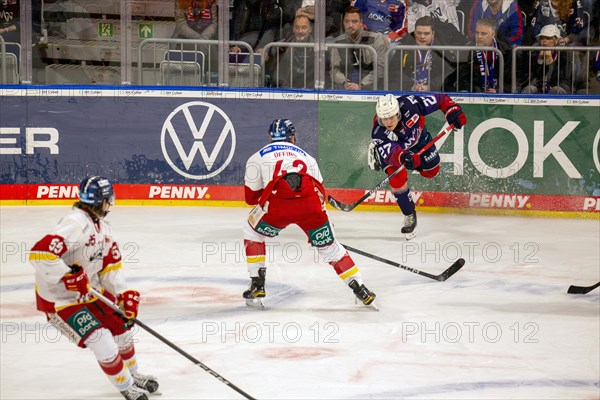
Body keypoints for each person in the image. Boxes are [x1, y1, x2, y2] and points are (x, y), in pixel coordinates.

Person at [28, 176, 158, 400]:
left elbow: (109, 266)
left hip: (88, 293)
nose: (111, 202)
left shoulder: (103, 228)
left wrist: (122, 295)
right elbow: (40, 254)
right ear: (101, 202)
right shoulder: (75, 223)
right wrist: (67, 275)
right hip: (60, 301)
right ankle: (126, 386)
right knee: (101, 339)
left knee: (121, 328)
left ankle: (133, 374)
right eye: (108, 199)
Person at [242, 119, 376, 308]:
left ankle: (257, 284)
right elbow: (319, 191)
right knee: (330, 248)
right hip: (310, 206)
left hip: (278, 206)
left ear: (270, 137)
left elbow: (250, 198)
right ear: (293, 137)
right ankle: (361, 289)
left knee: (252, 233)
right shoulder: (307, 157)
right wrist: (325, 232)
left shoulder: (257, 157)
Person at [369, 94, 467, 239]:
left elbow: (440, 99)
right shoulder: (379, 132)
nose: (388, 122)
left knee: (431, 172)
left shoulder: (410, 104)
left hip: (420, 139)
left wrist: (452, 110)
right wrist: (403, 157)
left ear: (398, 112)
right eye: (384, 118)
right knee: (397, 178)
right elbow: (392, 153)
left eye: (391, 117)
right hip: (397, 150)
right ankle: (409, 214)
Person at [391, 16, 459, 92]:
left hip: (433, 89)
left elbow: (448, 72)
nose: (422, 37)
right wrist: (412, 85)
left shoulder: (443, 49)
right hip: (406, 88)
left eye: (426, 33)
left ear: (433, 34)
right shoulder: (404, 47)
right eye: (419, 33)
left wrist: (430, 86)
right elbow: (394, 70)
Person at [330, 6, 388, 90]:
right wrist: (345, 82)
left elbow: (380, 69)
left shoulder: (375, 38)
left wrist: (362, 85)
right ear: (343, 22)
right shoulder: (338, 42)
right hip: (345, 87)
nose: (350, 25)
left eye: (354, 21)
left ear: (361, 22)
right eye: (347, 21)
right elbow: (334, 69)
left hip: (371, 87)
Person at [452, 17, 511, 92]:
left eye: (483, 34)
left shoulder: (505, 51)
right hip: (474, 93)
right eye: (477, 33)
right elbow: (463, 80)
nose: (479, 37)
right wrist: (478, 90)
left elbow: (511, 81)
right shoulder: (467, 50)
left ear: (493, 35)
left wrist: (498, 90)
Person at [519, 24, 573, 94]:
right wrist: (539, 61)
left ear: (556, 40)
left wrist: (550, 61)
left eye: (548, 38)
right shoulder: (532, 54)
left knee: (556, 90)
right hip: (538, 86)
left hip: (559, 85)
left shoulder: (564, 55)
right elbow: (530, 76)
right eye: (542, 38)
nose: (544, 41)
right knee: (530, 89)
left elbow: (563, 77)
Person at [267, 14, 315, 88]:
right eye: (297, 27)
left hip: (310, 91)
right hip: (287, 90)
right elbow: (278, 76)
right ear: (293, 29)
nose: (300, 31)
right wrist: (265, 50)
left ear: (310, 29)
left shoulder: (318, 49)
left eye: (304, 27)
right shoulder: (282, 47)